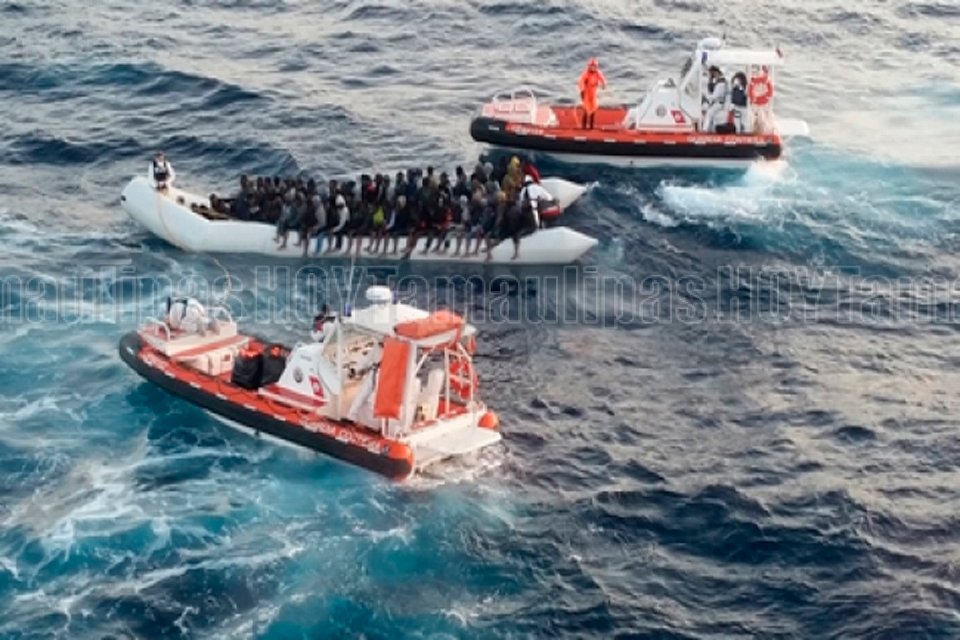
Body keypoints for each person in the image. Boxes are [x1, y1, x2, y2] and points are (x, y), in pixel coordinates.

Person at [578, 58, 607, 129]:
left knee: (593, 109)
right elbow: (581, 82)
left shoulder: (598, 73)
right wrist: (582, 91)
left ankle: (591, 126)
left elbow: (603, 79)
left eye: (594, 66)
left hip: (593, 93)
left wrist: (604, 84)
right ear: (589, 66)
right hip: (586, 93)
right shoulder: (586, 74)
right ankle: (584, 126)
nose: (593, 68)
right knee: (586, 109)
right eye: (591, 66)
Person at [701, 66, 728, 133]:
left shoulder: (721, 83)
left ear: (715, 73)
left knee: (709, 113)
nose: (712, 76)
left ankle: (705, 130)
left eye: (712, 74)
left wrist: (706, 96)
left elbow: (715, 96)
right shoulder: (719, 81)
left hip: (719, 103)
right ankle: (709, 130)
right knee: (709, 113)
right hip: (717, 102)